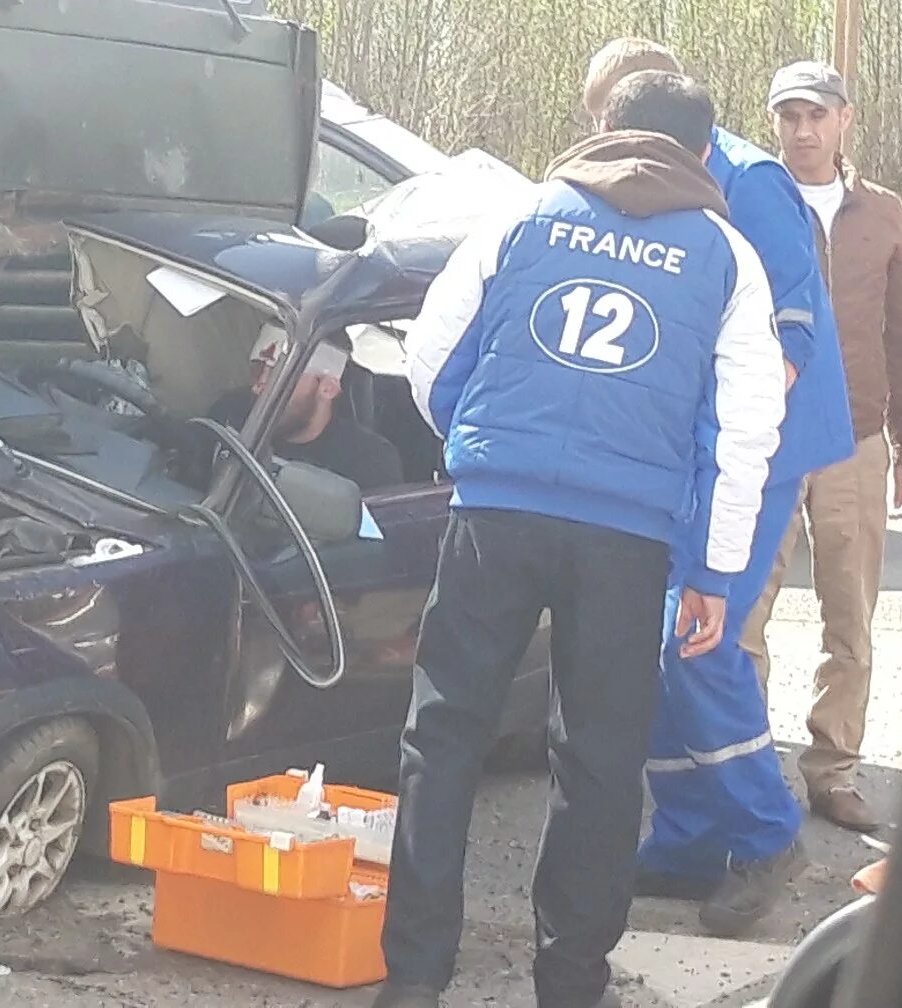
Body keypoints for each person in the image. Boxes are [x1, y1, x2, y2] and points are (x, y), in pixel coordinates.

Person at [374, 72, 785, 1008]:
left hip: (495, 519)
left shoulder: (523, 214)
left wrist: (477, 449)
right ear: (703, 152)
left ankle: (414, 978)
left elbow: (432, 351)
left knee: (441, 739)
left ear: (607, 128)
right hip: (626, 542)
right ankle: (569, 982)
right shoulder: (725, 254)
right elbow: (746, 429)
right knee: (599, 763)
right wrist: (714, 571)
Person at [581, 39, 856, 936]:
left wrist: (730, 442)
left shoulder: (752, 179)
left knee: (692, 640)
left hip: (758, 448)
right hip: (681, 448)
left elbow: (791, 332)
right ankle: (693, 837)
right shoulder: (636, 185)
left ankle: (767, 831)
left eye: (611, 124)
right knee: (653, 639)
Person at [738, 62, 902, 834]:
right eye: (789, 115)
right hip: (765, 436)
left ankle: (834, 767)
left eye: (816, 114)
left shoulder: (882, 214)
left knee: (850, 613)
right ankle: (747, 771)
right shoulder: (748, 199)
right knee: (745, 612)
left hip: (854, 435)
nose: (802, 130)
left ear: (846, 119)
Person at [209, 321, 404, 490]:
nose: (258, 387)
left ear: (327, 388)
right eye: (257, 370)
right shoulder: (231, 414)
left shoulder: (369, 462)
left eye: (277, 376)